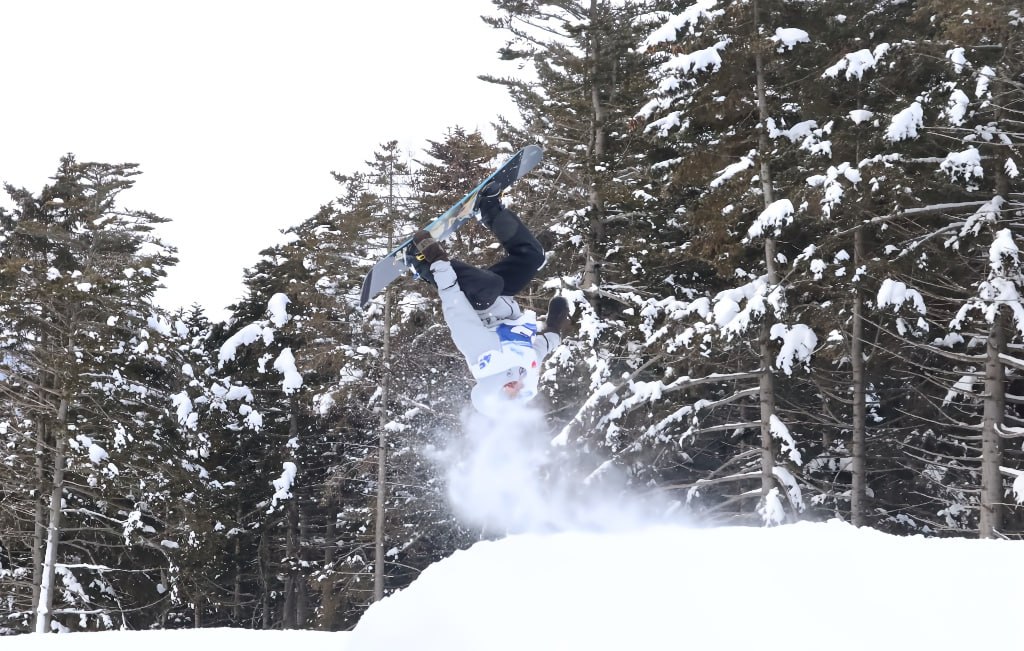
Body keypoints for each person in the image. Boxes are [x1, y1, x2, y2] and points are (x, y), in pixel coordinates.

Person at [406, 183, 570, 416]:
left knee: (489, 287)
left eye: (505, 393)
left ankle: (419, 262)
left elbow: (455, 308)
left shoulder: (485, 357)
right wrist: (554, 326)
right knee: (533, 257)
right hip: (502, 298)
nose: (513, 388)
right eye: (517, 394)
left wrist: (436, 262)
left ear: (491, 391)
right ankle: (489, 209)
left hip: (474, 301)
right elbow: (543, 346)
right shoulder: (526, 366)